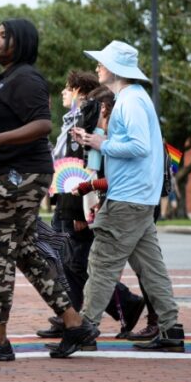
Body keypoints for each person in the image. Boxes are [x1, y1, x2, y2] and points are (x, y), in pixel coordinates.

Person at [0, 19, 93, 362]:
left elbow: (42, 124)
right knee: (25, 252)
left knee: (1, 254)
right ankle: (74, 322)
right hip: (8, 177)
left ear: (22, 42)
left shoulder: (27, 77)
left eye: (4, 35)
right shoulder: (8, 78)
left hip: (18, 177)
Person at [56, 40, 184, 356]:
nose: (98, 67)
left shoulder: (129, 102)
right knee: (150, 267)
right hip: (138, 198)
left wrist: (101, 142)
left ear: (114, 69)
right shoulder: (135, 99)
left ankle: (85, 328)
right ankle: (171, 327)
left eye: (102, 63)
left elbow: (139, 147)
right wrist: (101, 142)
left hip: (128, 199)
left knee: (100, 264)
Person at [39, 72, 145, 339]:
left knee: (80, 264)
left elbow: (85, 167)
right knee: (67, 262)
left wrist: (78, 209)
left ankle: (125, 306)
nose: (63, 93)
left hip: (76, 199)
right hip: (67, 196)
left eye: (67, 88)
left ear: (78, 91)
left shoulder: (84, 120)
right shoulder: (73, 120)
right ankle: (71, 316)